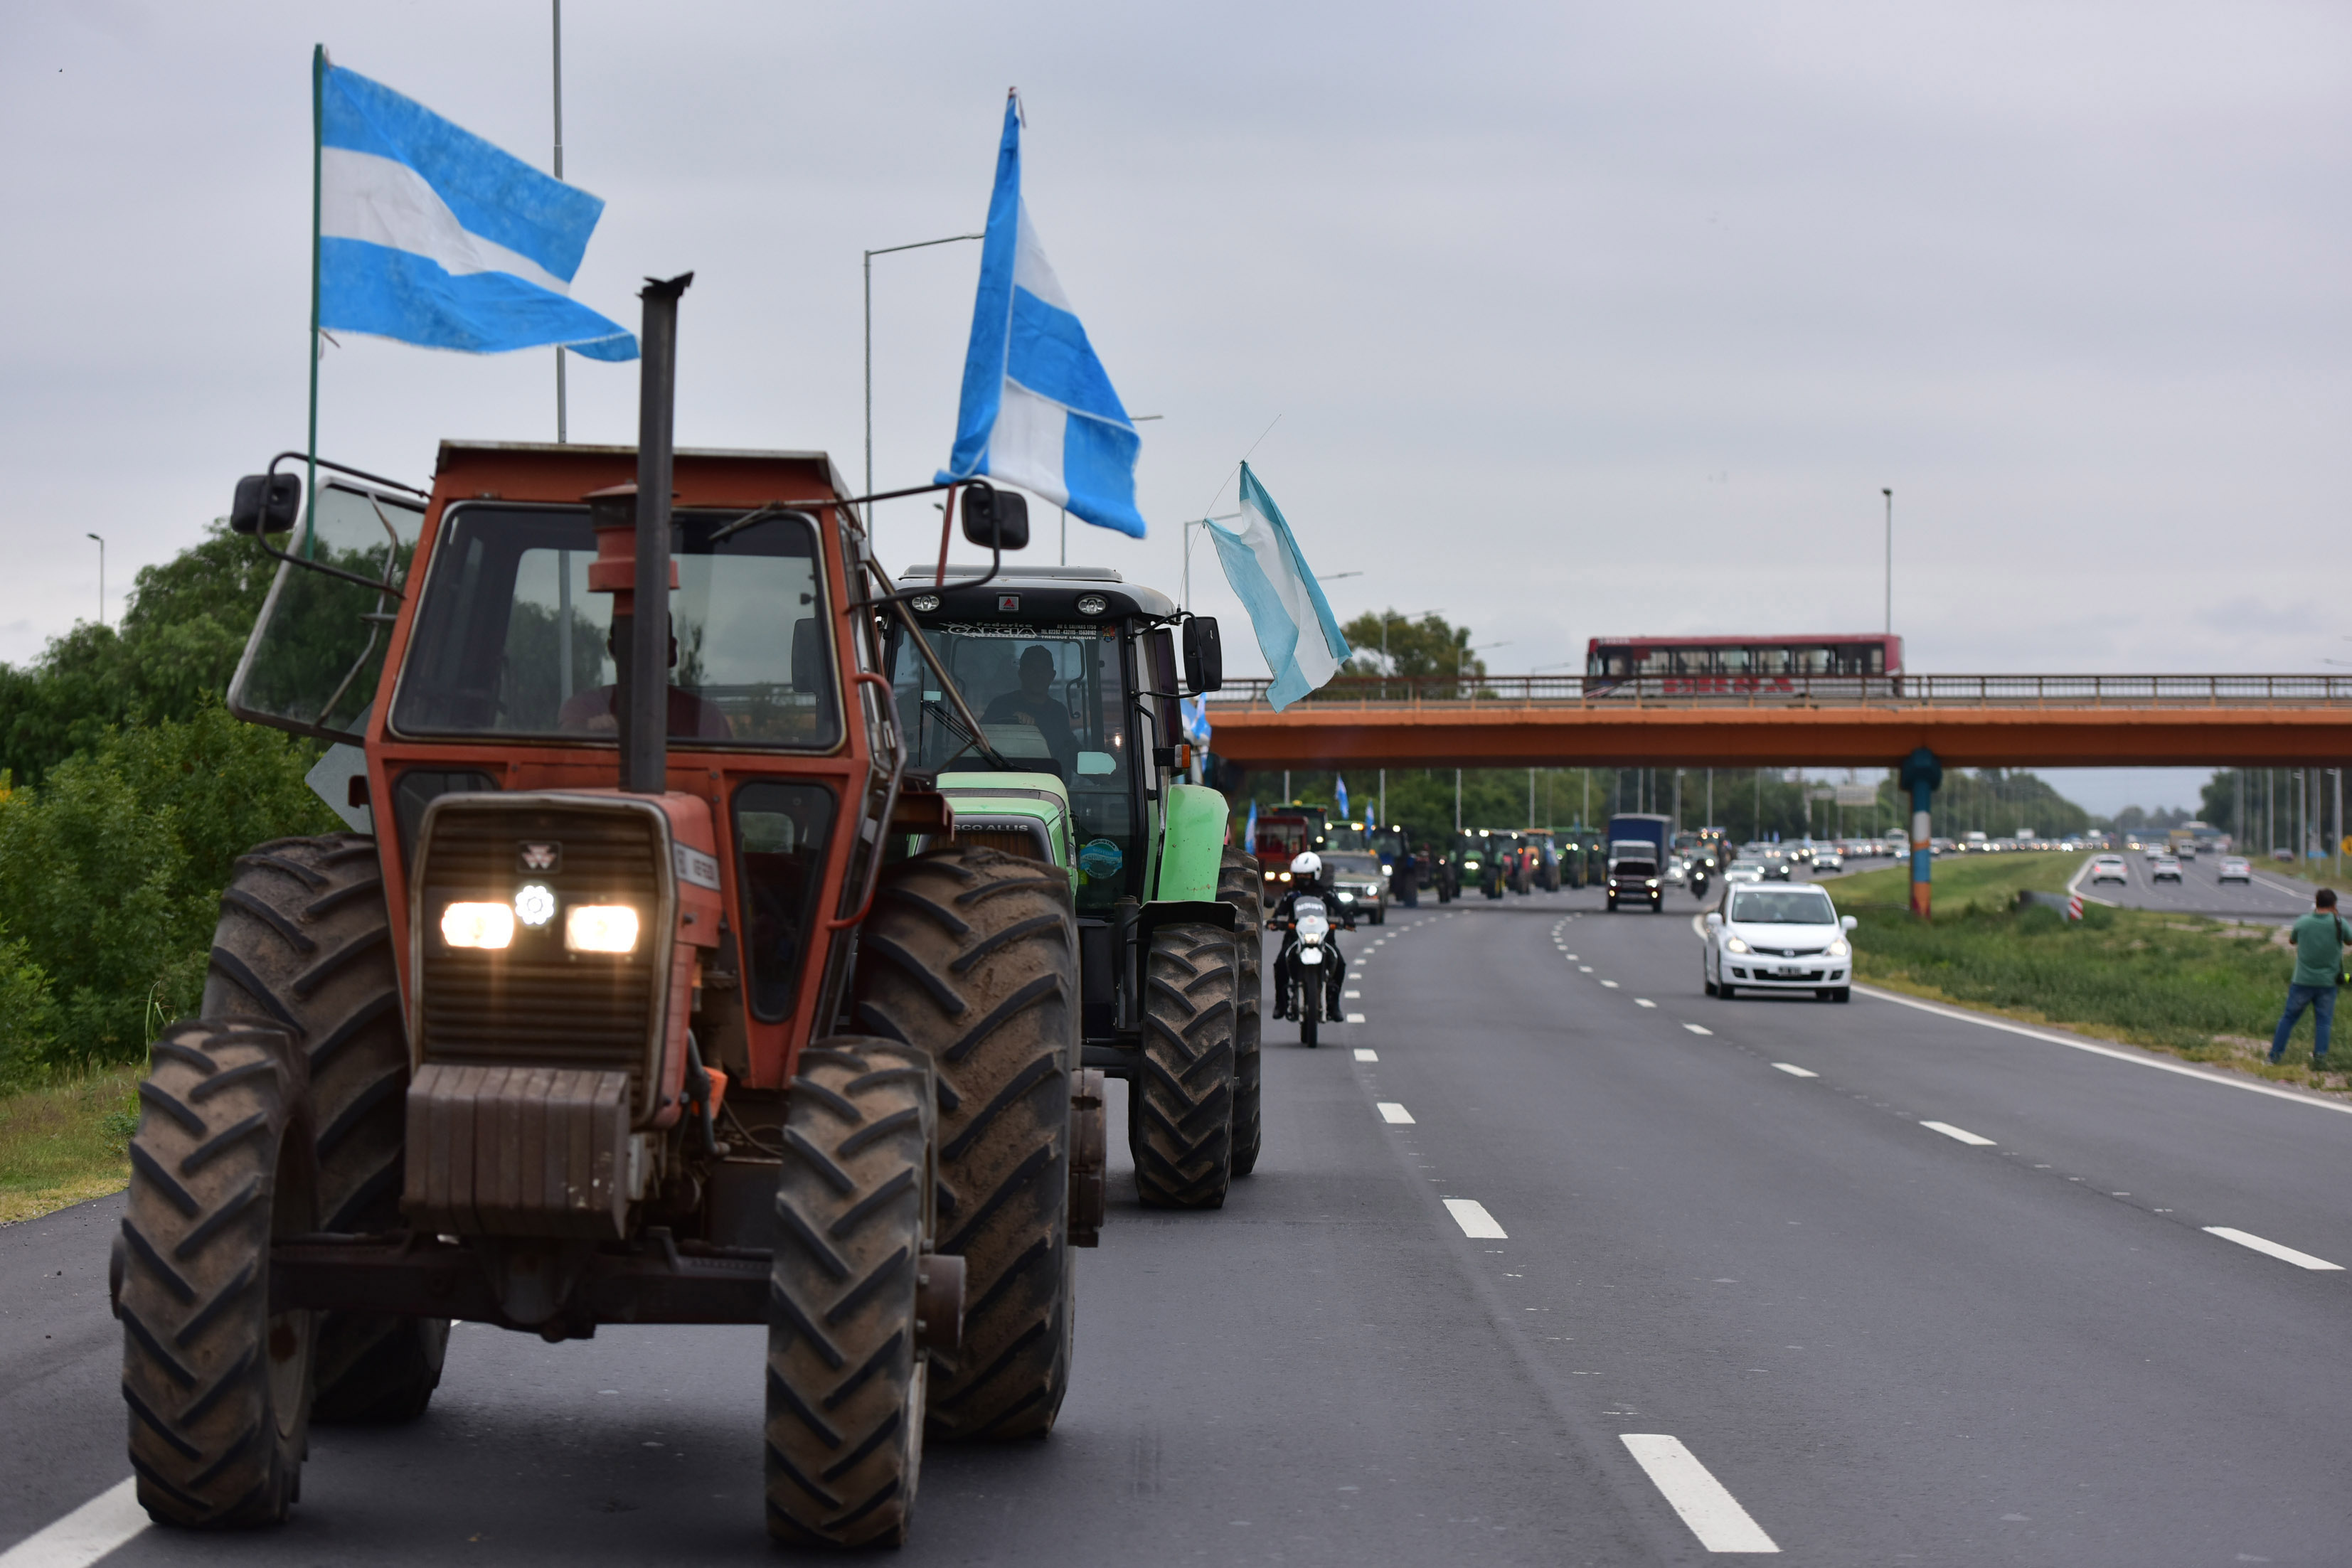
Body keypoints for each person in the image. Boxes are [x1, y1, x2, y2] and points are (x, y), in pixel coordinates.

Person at [2268, 887, 2348, 1069]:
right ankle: (2319, 1060)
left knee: (2288, 1018)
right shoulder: (2339, 923)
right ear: (2334, 905)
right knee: (2323, 1022)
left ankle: (2275, 1056)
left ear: (2316, 903)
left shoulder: (2303, 922)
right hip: (2328, 983)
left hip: (2302, 981)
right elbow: (2349, 940)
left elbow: (2292, 940)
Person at [1270, 850, 1351, 1022]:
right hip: (1295, 937)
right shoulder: (1291, 894)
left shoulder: (1326, 893)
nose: (1304, 878)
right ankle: (1281, 1002)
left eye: (1307, 875)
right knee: (1280, 964)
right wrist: (1275, 920)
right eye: (1300, 875)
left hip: (1324, 938)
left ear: (1316, 874)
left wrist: (1348, 918)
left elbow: (1341, 907)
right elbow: (1280, 911)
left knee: (1341, 964)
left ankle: (1335, 1003)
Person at [981, 645, 1078, 774]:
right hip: (1003, 781)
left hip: (1048, 784)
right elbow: (977, 741)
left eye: (1043, 670)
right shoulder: (1000, 705)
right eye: (1032, 669)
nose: (1038, 675)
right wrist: (1010, 723)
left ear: (1052, 675)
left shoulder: (1058, 712)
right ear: (1021, 674)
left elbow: (1071, 752)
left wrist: (1102, 775)